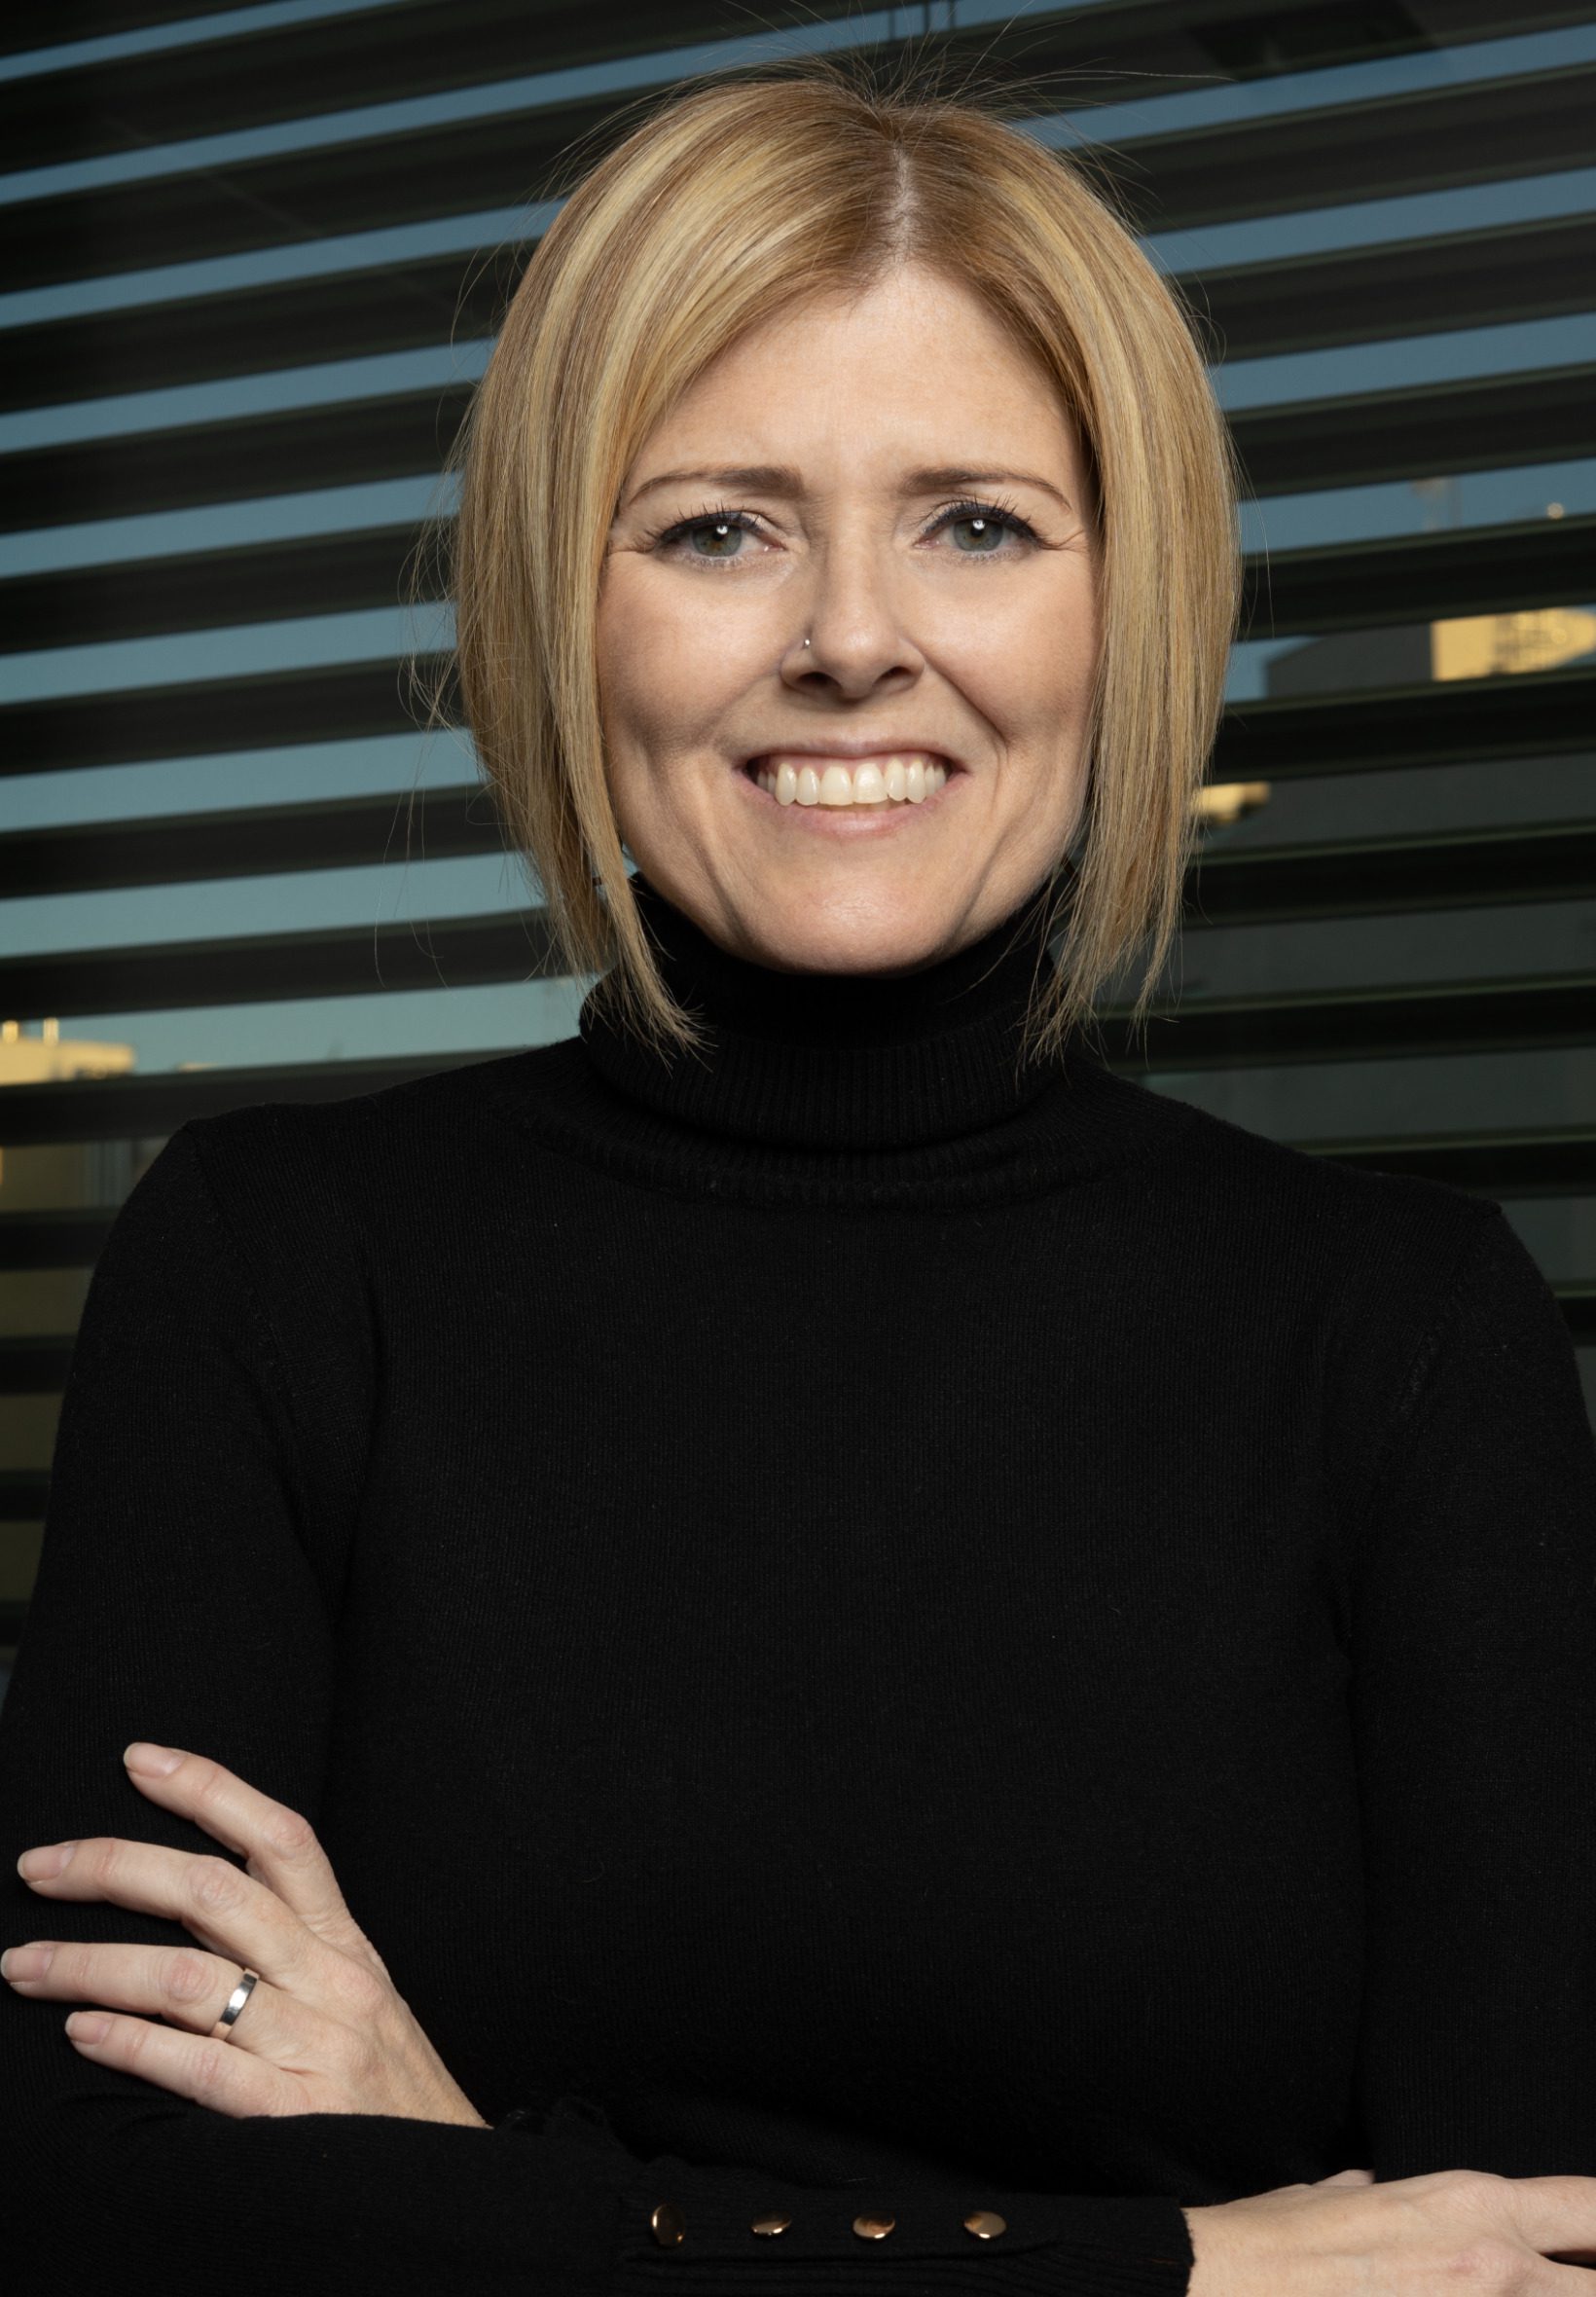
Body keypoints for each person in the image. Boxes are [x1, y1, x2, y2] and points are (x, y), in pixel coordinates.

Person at [2, 56, 1594, 2297]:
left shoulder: (1399, 1332)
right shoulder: (277, 1268)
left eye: (977, 525)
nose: (852, 635)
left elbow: (1518, 2261)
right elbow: (94, 2214)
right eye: (717, 529)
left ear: (1125, 606)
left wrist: (469, 2180)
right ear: (564, 607)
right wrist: (1188, 2272)